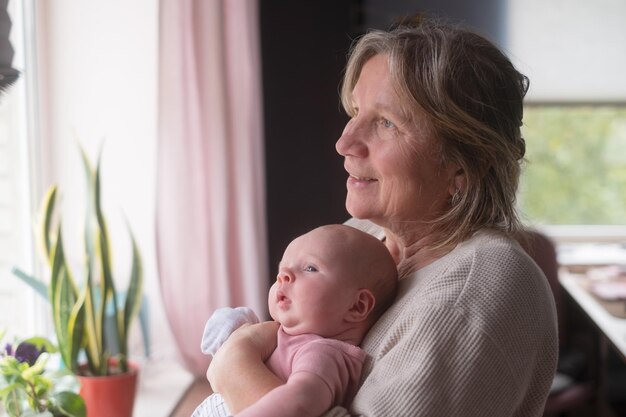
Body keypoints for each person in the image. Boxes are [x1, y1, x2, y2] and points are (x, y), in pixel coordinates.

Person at [207, 19, 558, 417]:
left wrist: (233, 367)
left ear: (464, 164)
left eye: (386, 122)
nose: (344, 143)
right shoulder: (366, 235)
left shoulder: (477, 287)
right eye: (356, 111)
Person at [194, 224, 398, 417]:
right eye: (282, 269)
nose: (284, 276)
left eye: (310, 268)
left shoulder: (324, 353)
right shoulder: (291, 338)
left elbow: (298, 403)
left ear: (357, 306)